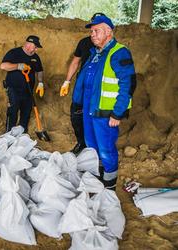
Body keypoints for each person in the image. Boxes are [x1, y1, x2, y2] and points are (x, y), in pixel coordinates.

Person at [70, 14, 137, 190]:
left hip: (106, 114)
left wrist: (118, 112)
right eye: (91, 31)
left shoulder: (119, 52)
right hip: (90, 111)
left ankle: (109, 188)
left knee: (106, 151)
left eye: (96, 30)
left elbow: (128, 83)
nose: (92, 34)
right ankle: (98, 179)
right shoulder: (95, 54)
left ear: (108, 31)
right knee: (92, 149)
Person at [60, 13, 106, 155]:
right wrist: (67, 81)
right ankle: (81, 142)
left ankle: (96, 149)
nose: (93, 32)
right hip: (82, 84)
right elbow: (75, 62)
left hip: (98, 87)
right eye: (92, 28)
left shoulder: (110, 46)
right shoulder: (84, 42)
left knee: (95, 117)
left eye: (97, 28)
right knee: (76, 114)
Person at [0, 35, 44, 133]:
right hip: (13, 88)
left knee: (26, 112)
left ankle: (22, 134)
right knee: (13, 110)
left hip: (28, 90)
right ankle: (9, 134)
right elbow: (3, 66)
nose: (36, 49)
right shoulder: (14, 53)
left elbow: (39, 70)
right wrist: (18, 66)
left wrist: (40, 82)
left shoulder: (35, 57)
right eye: (35, 47)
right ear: (28, 45)